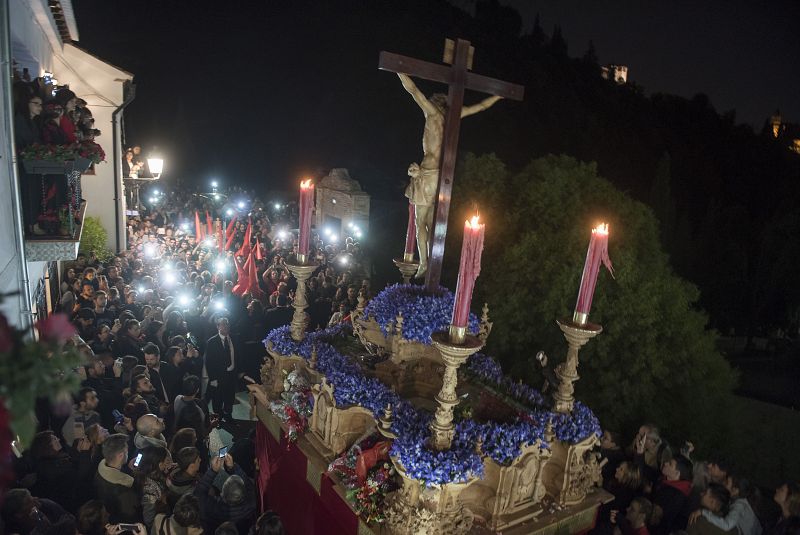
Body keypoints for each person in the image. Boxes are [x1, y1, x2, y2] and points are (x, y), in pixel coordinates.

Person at [397, 71, 501, 277]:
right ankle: (432, 263)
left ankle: (425, 262)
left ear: (435, 103)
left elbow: (414, 91)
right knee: (432, 222)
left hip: (426, 175)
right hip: (442, 176)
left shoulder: (432, 114)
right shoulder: (454, 116)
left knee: (420, 223)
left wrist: (400, 71)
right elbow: (481, 106)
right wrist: (498, 96)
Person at [193, 453, 256, 534]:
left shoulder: (213, 508)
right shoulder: (251, 503)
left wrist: (213, 471)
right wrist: (232, 467)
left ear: (222, 493)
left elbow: (198, 494)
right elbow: (248, 485)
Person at [95, 433, 140, 523]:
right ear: (120, 456)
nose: (128, 453)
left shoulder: (99, 471)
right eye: (126, 451)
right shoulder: (124, 491)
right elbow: (131, 516)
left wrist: (129, 470)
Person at [204, 317, 239, 421]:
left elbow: (239, 355)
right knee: (217, 398)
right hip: (218, 375)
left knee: (230, 396)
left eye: (227, 323)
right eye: (223, 324)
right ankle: (218, 417)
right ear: (218, 326)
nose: (226, 326)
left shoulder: (234, 338)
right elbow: (209, 362)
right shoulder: (212, 342)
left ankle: (228, 415)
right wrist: (213, 378)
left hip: (231, 374)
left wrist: (240, 371)